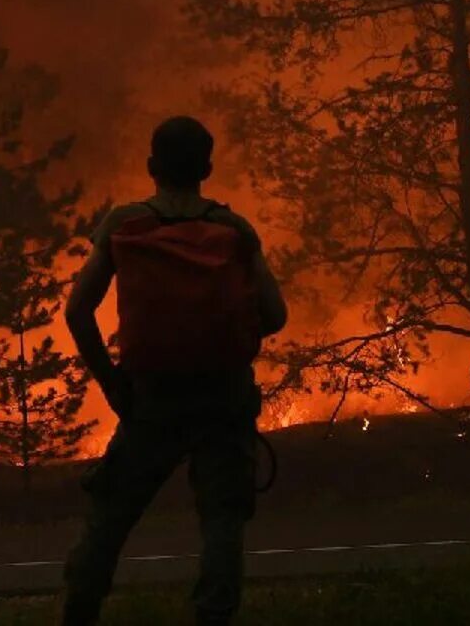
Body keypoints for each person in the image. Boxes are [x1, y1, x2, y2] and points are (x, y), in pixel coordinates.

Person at [60, 115, 288, 626]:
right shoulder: (233, 230)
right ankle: (213, 616)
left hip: (152, 401)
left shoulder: (123, 225)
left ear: (151, 166)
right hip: (224, 402)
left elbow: (78, 312)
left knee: (110, 515)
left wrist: (114, 386)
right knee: (223, 521)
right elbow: (276, 314)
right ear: (207, 168)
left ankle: (80, 612)